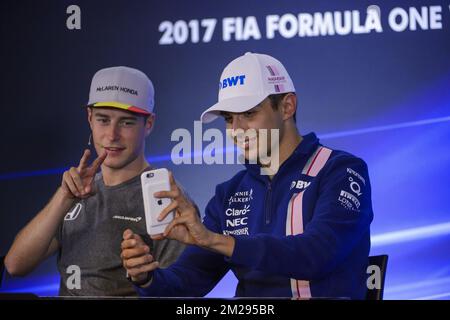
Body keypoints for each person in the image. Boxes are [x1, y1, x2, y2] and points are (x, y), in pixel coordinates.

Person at [120, 53, 374, 299]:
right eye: (229, 119)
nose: (237, 130)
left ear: (287, 106)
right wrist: (147, 277)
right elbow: (188, 280)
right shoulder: (228, 193)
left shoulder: (340, 170)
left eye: (249, 114)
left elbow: (318, 254)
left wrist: (217, 241)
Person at [5, 66, 186, 296]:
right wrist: (63, 197)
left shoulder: (167, 196)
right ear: (89, 117)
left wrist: (146, 275)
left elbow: (183, 293)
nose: (112, 135)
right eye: (103, 119)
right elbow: (15, 265)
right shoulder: (75, 191)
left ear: (148, 124)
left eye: (127, 122)